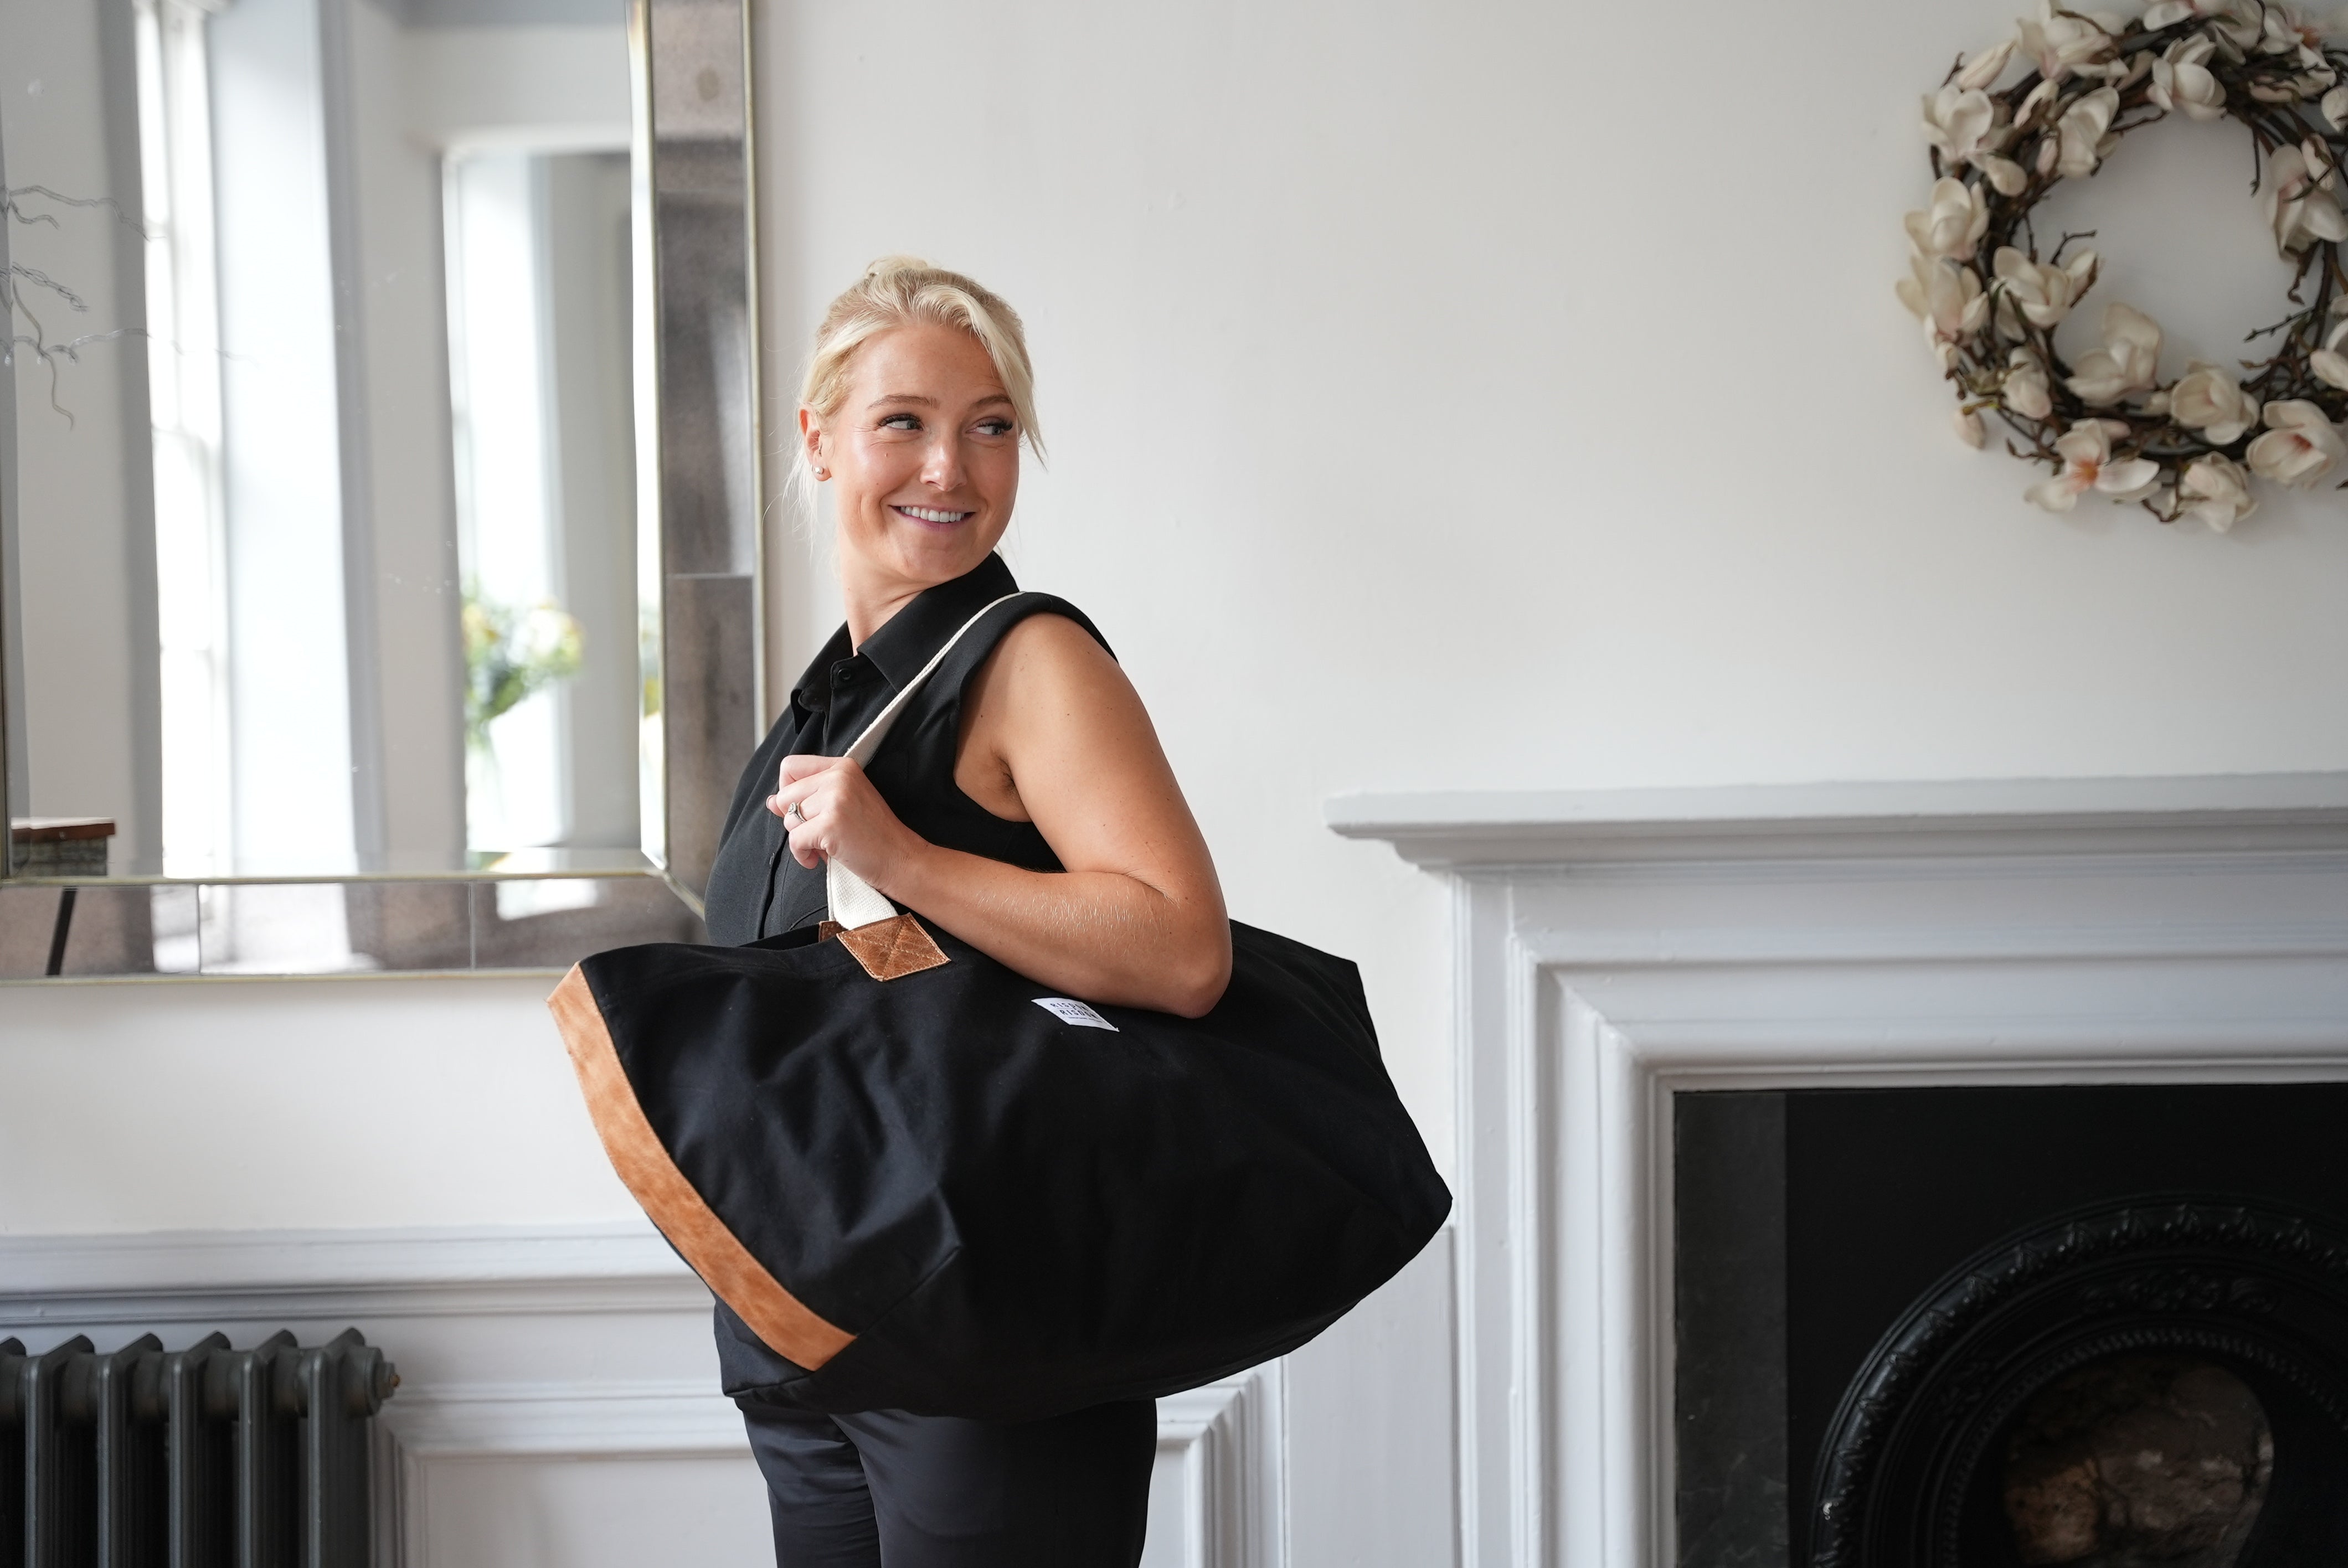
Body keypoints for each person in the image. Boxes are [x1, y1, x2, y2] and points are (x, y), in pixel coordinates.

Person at [698, 256, 1232, 1567]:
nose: (951, 466)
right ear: (818, 441)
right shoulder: (827, 701)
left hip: (984, 1344)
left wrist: (901, 853)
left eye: (989, 427)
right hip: (806, 1332)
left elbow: (1182, 950)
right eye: (905, 423)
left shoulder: (1031, 661)